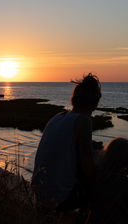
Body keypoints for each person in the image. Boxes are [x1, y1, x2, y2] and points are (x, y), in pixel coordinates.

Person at [32, 73, 102, 212]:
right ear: (95, 103)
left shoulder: (57, 117)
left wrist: (88, 145)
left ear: (73, 99)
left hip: (39, 194)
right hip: (59, 199)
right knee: (105, 179)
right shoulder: (83, 121)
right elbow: (88, 168)